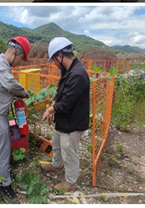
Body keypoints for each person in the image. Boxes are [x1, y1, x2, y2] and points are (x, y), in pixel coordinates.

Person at [0, 37, 31, 204]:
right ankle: (4, 185)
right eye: (20, 59)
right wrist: (23, 92)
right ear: (16, 51)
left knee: (4, 146)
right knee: (2, 149)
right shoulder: (0, 63)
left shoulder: (2, 63)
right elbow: (9, 85)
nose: (19, 63)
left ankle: (4, 175)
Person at [41, 37, 89, 192]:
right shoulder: (67, 71)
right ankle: (56, 165)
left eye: (54, 60)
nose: (54, 64)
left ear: (60, 56)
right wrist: (53, 105)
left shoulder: (78, 74)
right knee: (56, 144)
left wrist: (49, 110)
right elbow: (60, 94)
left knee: (69, 153)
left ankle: (70, 182)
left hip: (72, 123)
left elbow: (66, 104)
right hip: (63, 120)